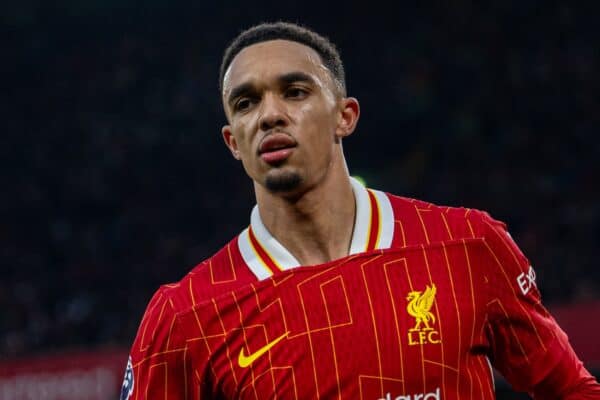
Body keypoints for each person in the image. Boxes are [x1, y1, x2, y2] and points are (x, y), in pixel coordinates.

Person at [122, 22, 600, 399]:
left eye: (295, 91)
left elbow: (571, 389)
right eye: (246, 102)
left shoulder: (467, 245)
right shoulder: (186, 315)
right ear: (232, 141)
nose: (269, 115)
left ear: (344, 117)